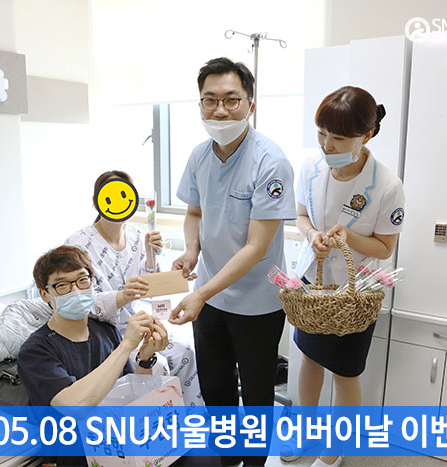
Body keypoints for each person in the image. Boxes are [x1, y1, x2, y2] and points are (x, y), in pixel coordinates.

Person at [170, 57, 296, 467]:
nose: (220, 110)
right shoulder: (199, 156)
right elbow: (194, 212)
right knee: (216, 388)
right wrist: (191, 250)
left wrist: (200, 293)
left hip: (257, 303)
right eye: (210, 100)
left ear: (250, 104)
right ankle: (227, 459)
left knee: (256, 396)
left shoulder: (270, 162)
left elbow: (256, 247)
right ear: (200, 104)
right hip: (210, 299)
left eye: (231, 99)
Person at [287, 86, 405, 467]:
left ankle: (334, 449)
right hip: (314, 283)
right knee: (309, 358)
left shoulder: (387, 186)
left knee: (345, 373)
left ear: (366, 135)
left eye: (338, 138)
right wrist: (313, 236)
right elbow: (301, 216)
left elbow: (385, 248)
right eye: (322, 133)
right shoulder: (310, 166)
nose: (327, 145)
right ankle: (305, 432)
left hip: (355, 293)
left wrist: (348, 237)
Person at [17, 245, 168, 466]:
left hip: (121, 440)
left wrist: (145, 359)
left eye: (82, 280)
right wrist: (126, 345)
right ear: (45, 294)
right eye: (62, 285)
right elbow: (74, 406)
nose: (76, 291)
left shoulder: (104, 330)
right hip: (79, 454)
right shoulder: (36, 351)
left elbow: (132, 393)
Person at [65, 170, 203, 406]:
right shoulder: (78, 245)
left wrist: (171, 271)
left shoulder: (137, 235)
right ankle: (154, 423)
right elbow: (80, 301)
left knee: (186, 352)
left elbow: (149, 286)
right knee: (157, 364)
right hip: (104, 333)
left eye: (124, 194)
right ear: (97, 201)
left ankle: (193, 421)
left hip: (138, 323)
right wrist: (121, 296)